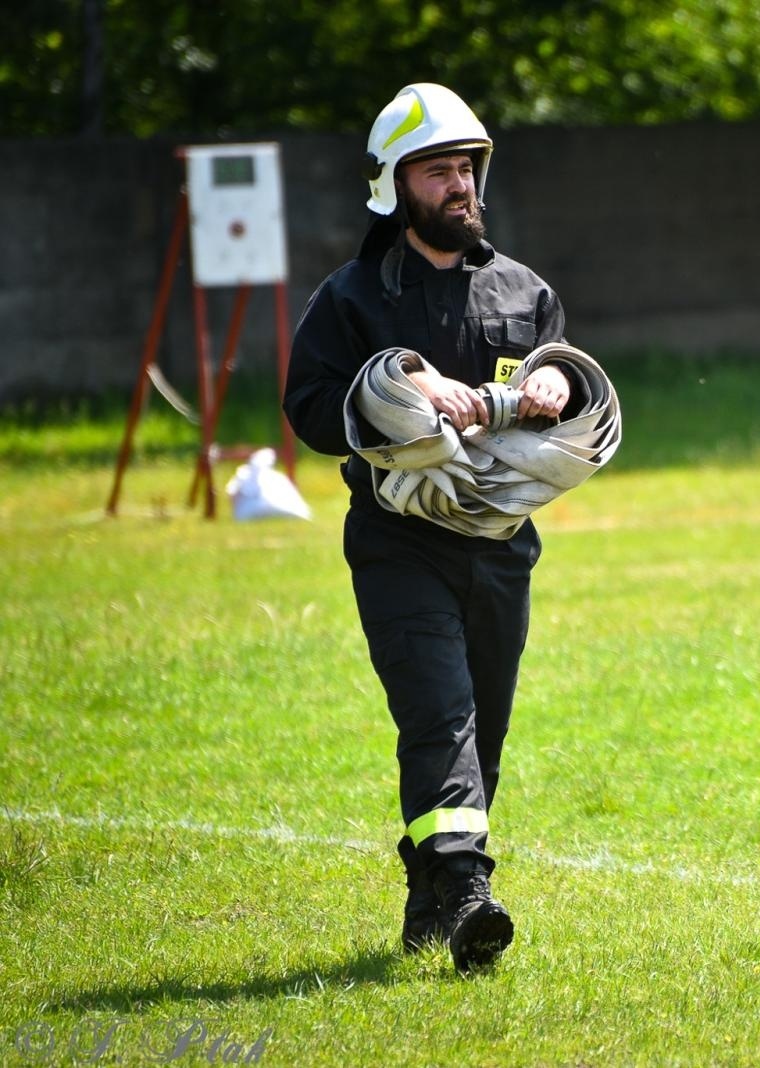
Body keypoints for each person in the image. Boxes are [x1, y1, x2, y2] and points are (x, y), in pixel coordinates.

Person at [283, 83, 574, 973]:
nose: (459, 186)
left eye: (466, 169)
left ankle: (428, 894)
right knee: (438, 716)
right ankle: (468, 892)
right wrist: (399, 388)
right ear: (396, 186)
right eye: (438, 171)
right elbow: (309, 409)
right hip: (396, 545)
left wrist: (556, 390)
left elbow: (563, 396)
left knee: (484, 731)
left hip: (499, 549)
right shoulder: (353, 297)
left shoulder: (525, 293)